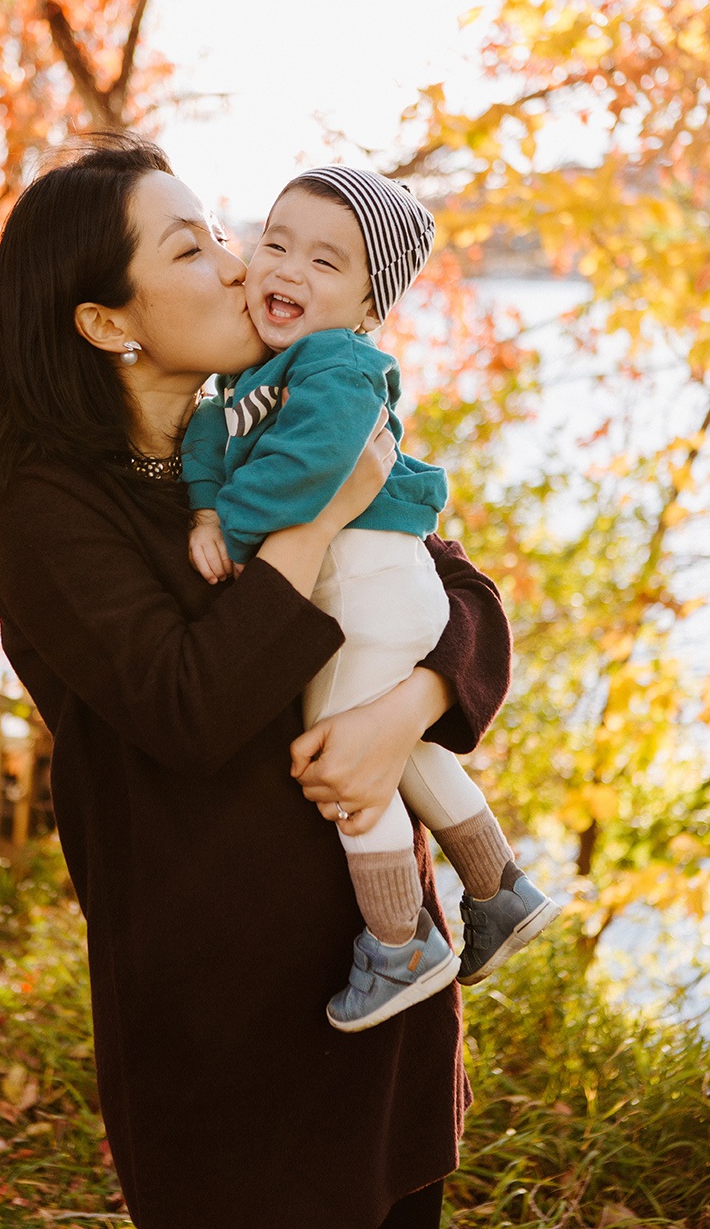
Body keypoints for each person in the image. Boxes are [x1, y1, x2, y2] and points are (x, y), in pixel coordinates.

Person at [0, 134, 514, 1229]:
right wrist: (308, 527)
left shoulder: (281, 410)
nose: (236, 260)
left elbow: (472, 608)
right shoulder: (46, 502)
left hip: (386, 972)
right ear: (107, 322)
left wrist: (401, 711)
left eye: (220, 228)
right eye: (189, 246)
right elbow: (189, 706)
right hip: (225, 1011)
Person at [182, 168, 559, 1032]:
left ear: (364, 305)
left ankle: (398, 945)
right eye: (275, 243)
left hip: (367, 583)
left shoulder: (340, 364)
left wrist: (228, 529)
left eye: (325, 261)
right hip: (366, 592)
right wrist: (204, 503)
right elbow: (209, 443)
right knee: (393, 741)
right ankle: (498, 884)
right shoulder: (241, 387)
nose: (288, 270)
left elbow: (316, 463)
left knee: (346, 767)